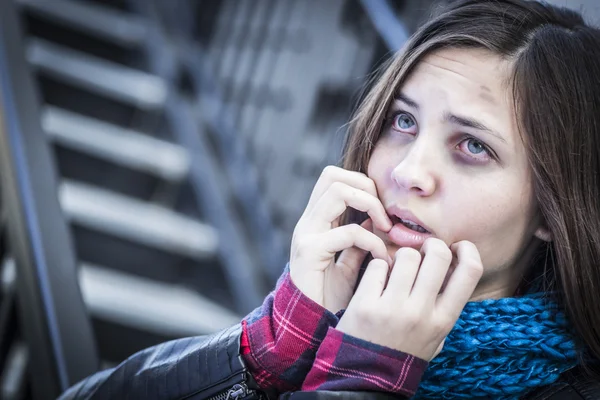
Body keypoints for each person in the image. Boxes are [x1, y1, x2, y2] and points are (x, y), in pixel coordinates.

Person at [59, 0, 600, 398]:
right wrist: (268, 346)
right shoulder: (328, 320)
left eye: (473, 146)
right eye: (403, 121)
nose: (410, 171)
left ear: (553, 210)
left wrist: (363, 377)